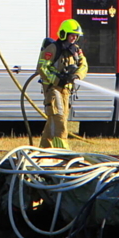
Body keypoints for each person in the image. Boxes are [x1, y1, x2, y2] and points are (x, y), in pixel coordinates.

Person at [37, 18, 89, 149]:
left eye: (76, 36)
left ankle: (44, 150)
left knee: (56, 119)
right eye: (72, 35)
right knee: (59, 118)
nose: (74, 38)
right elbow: (41, 67)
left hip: (66, 90)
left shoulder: (76, 50)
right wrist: (57, 79)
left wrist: (76, 75)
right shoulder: (53, 48)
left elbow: (84, 65)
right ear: (64, 34)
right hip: (53, 88)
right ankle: (62, 149)